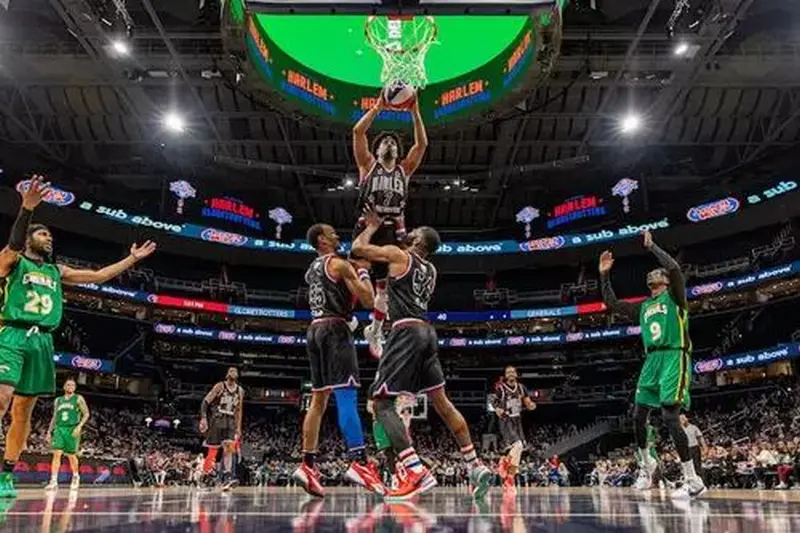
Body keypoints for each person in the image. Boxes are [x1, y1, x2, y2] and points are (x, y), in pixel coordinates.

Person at [0, 175, 157, 498]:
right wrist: (26, 210)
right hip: (12, 334)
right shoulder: (12, 263)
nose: (49, 238)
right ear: (30, 238)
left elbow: (99, 276)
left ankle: (6, 474)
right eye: (43, 233)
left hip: (43, 342)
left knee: (23, 413)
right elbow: (13, 244)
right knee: (1, 398)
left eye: (50, 235)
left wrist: (132, 259)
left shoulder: (58, 272)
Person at [354, 207, 492, 500]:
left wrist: (372, 226)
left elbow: (357, 249)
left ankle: (415, 470)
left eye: (412, 233)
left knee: (381, 404)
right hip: (428, 333)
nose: (408, 233)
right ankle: (475, 465)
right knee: (442, 402)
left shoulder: (398, 254)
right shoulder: (430, 269)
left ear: (417, 241)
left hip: (405, 332)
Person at [598, 230, 706, 499]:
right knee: (637, 416)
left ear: (666, 282)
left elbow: (675, 267)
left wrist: (653, 246)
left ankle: (693, 480)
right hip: (651, 360)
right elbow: (612, 304)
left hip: (673, 355)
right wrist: (603, 275)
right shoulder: (644, 306)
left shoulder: (676, 298)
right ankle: (648, 466)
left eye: (658, 274)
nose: (654, 275)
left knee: (670, 416)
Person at [292, 223, 385, 498]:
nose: (336, 234)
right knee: (346, 397)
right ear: (322, 240)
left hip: (314, 330)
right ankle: (360, 462)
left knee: (318, 401)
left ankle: (307, 464)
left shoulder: (312, 269)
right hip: (335, 331)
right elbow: (369, 300)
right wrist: (364, 270)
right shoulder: (338, 264)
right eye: (332, 232)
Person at [352, 94, 428, 358]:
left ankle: (375, 328)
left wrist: (415, 111)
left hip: (390, 232)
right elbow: (358, 130)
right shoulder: (367, 166)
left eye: (393, 142)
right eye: (384, 141)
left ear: (398, 151)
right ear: (377, 149)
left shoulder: (404, 171)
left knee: (384, 287)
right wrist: (378, 107)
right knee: (360, 280)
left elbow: (421, 143)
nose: (389, 143)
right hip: (366, 227)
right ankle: (349, 315)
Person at [199, 367, 244, 491]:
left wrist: (239, 427)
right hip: (217, 418)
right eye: (231, 370)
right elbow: (205, 402)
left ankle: (227, 478)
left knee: (229, 448)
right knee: (213, 451)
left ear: (238, 375)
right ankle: (205, 477)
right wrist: (203, 418)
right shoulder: (220, 386)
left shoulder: (240, 391)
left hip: (230, 421)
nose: (233, 372)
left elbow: (239, 410)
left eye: (235, 371)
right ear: (227, 374)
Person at [494, 366, 536, 493]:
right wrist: (497, 409)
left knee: (520, 448)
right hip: (506, 419)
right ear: (506, 376)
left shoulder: (522, 388)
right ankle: (504, 462)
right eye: (508, 372)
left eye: (512, 372)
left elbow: (527, 402)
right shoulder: (501, 388)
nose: (511, 374)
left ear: (516, 374)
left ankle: (509, 479)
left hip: (518, 420)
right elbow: (494, 401)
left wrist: (531, 405)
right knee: (517, 445)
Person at [45, 377, 89, 491]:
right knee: (56, 453)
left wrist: (79, 427)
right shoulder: (58, 400)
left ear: (75, 388)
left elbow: (86, 414)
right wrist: (49, 431)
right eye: (68, 385)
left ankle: (75, 476)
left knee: (71, 455)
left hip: (72, 428)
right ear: (64, 387)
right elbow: (54, 417)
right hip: (59, 428)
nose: (70, 387)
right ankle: (53, 481)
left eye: (72, 385)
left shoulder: (78, 399)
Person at [681, 414, 706, 483]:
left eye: (683, 418)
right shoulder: (680, 429)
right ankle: (692, 483)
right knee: (689, 467)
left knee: (697, 465)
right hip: (686, 449)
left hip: (695, 448)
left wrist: (704, 447)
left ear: (687, 419)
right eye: (680, 419)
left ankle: (702, 482)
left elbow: (700, 437)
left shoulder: (694, 427)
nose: (682, 420)